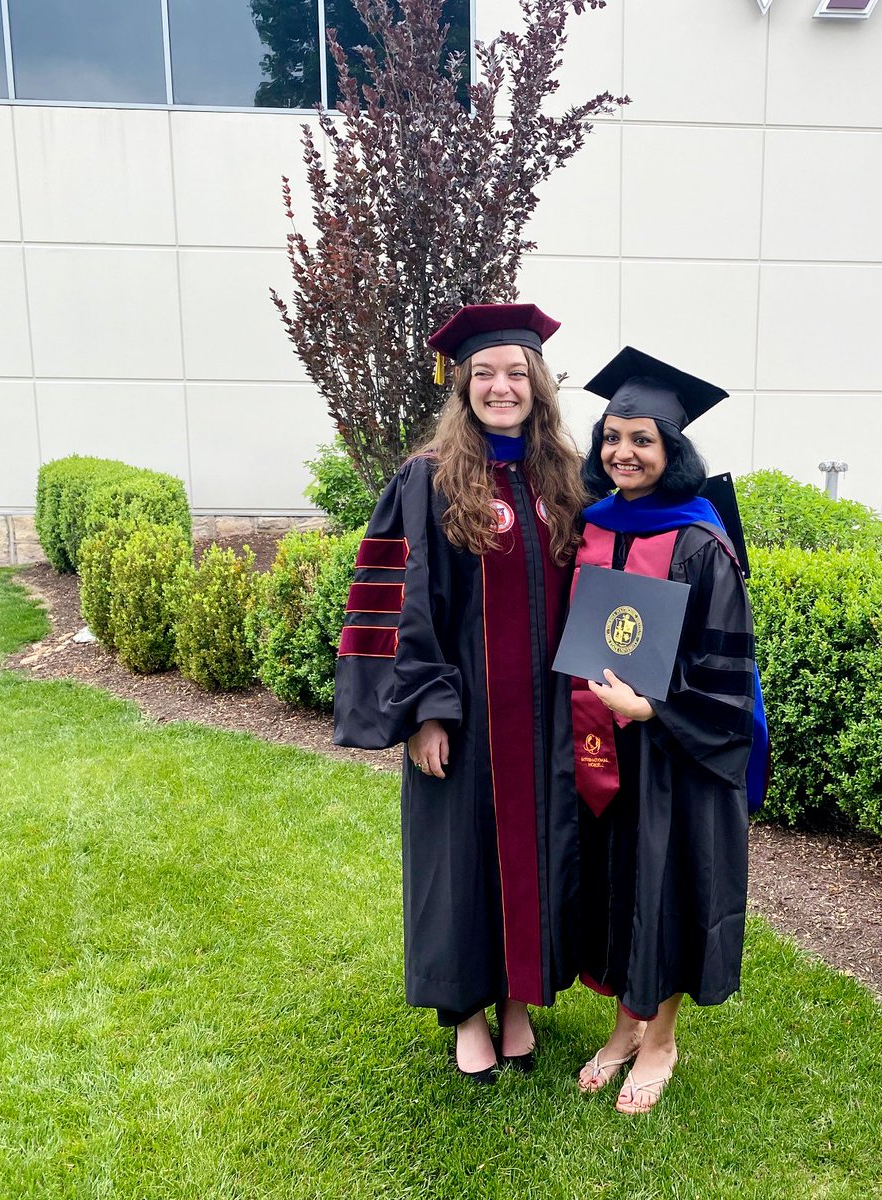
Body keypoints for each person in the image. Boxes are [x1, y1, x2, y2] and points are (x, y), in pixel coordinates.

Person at [334, 303, 586, 1084]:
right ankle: (467, 1015)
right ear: (462, 383)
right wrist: (423, 712)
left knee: (538, 854)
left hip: (544, 716)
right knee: (460, 860)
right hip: (466, 713)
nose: (500, 386)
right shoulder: (430, 477)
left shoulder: (561, 480)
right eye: (485, 374)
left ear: (538, 385)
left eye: (516, 373)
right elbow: (401, 599)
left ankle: (518, 1005)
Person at [554, 347, 758, 1114]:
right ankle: (621, 1027)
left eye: (642, 439)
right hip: (598, 746)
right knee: (617, 886)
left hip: (671, 752)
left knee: (665, 890)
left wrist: (656, 711)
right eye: (612, 437)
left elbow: (726, 676)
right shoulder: (592, 525)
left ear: (672, 450)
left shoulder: (702, 542)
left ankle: (661, 1037)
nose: (622, 452)